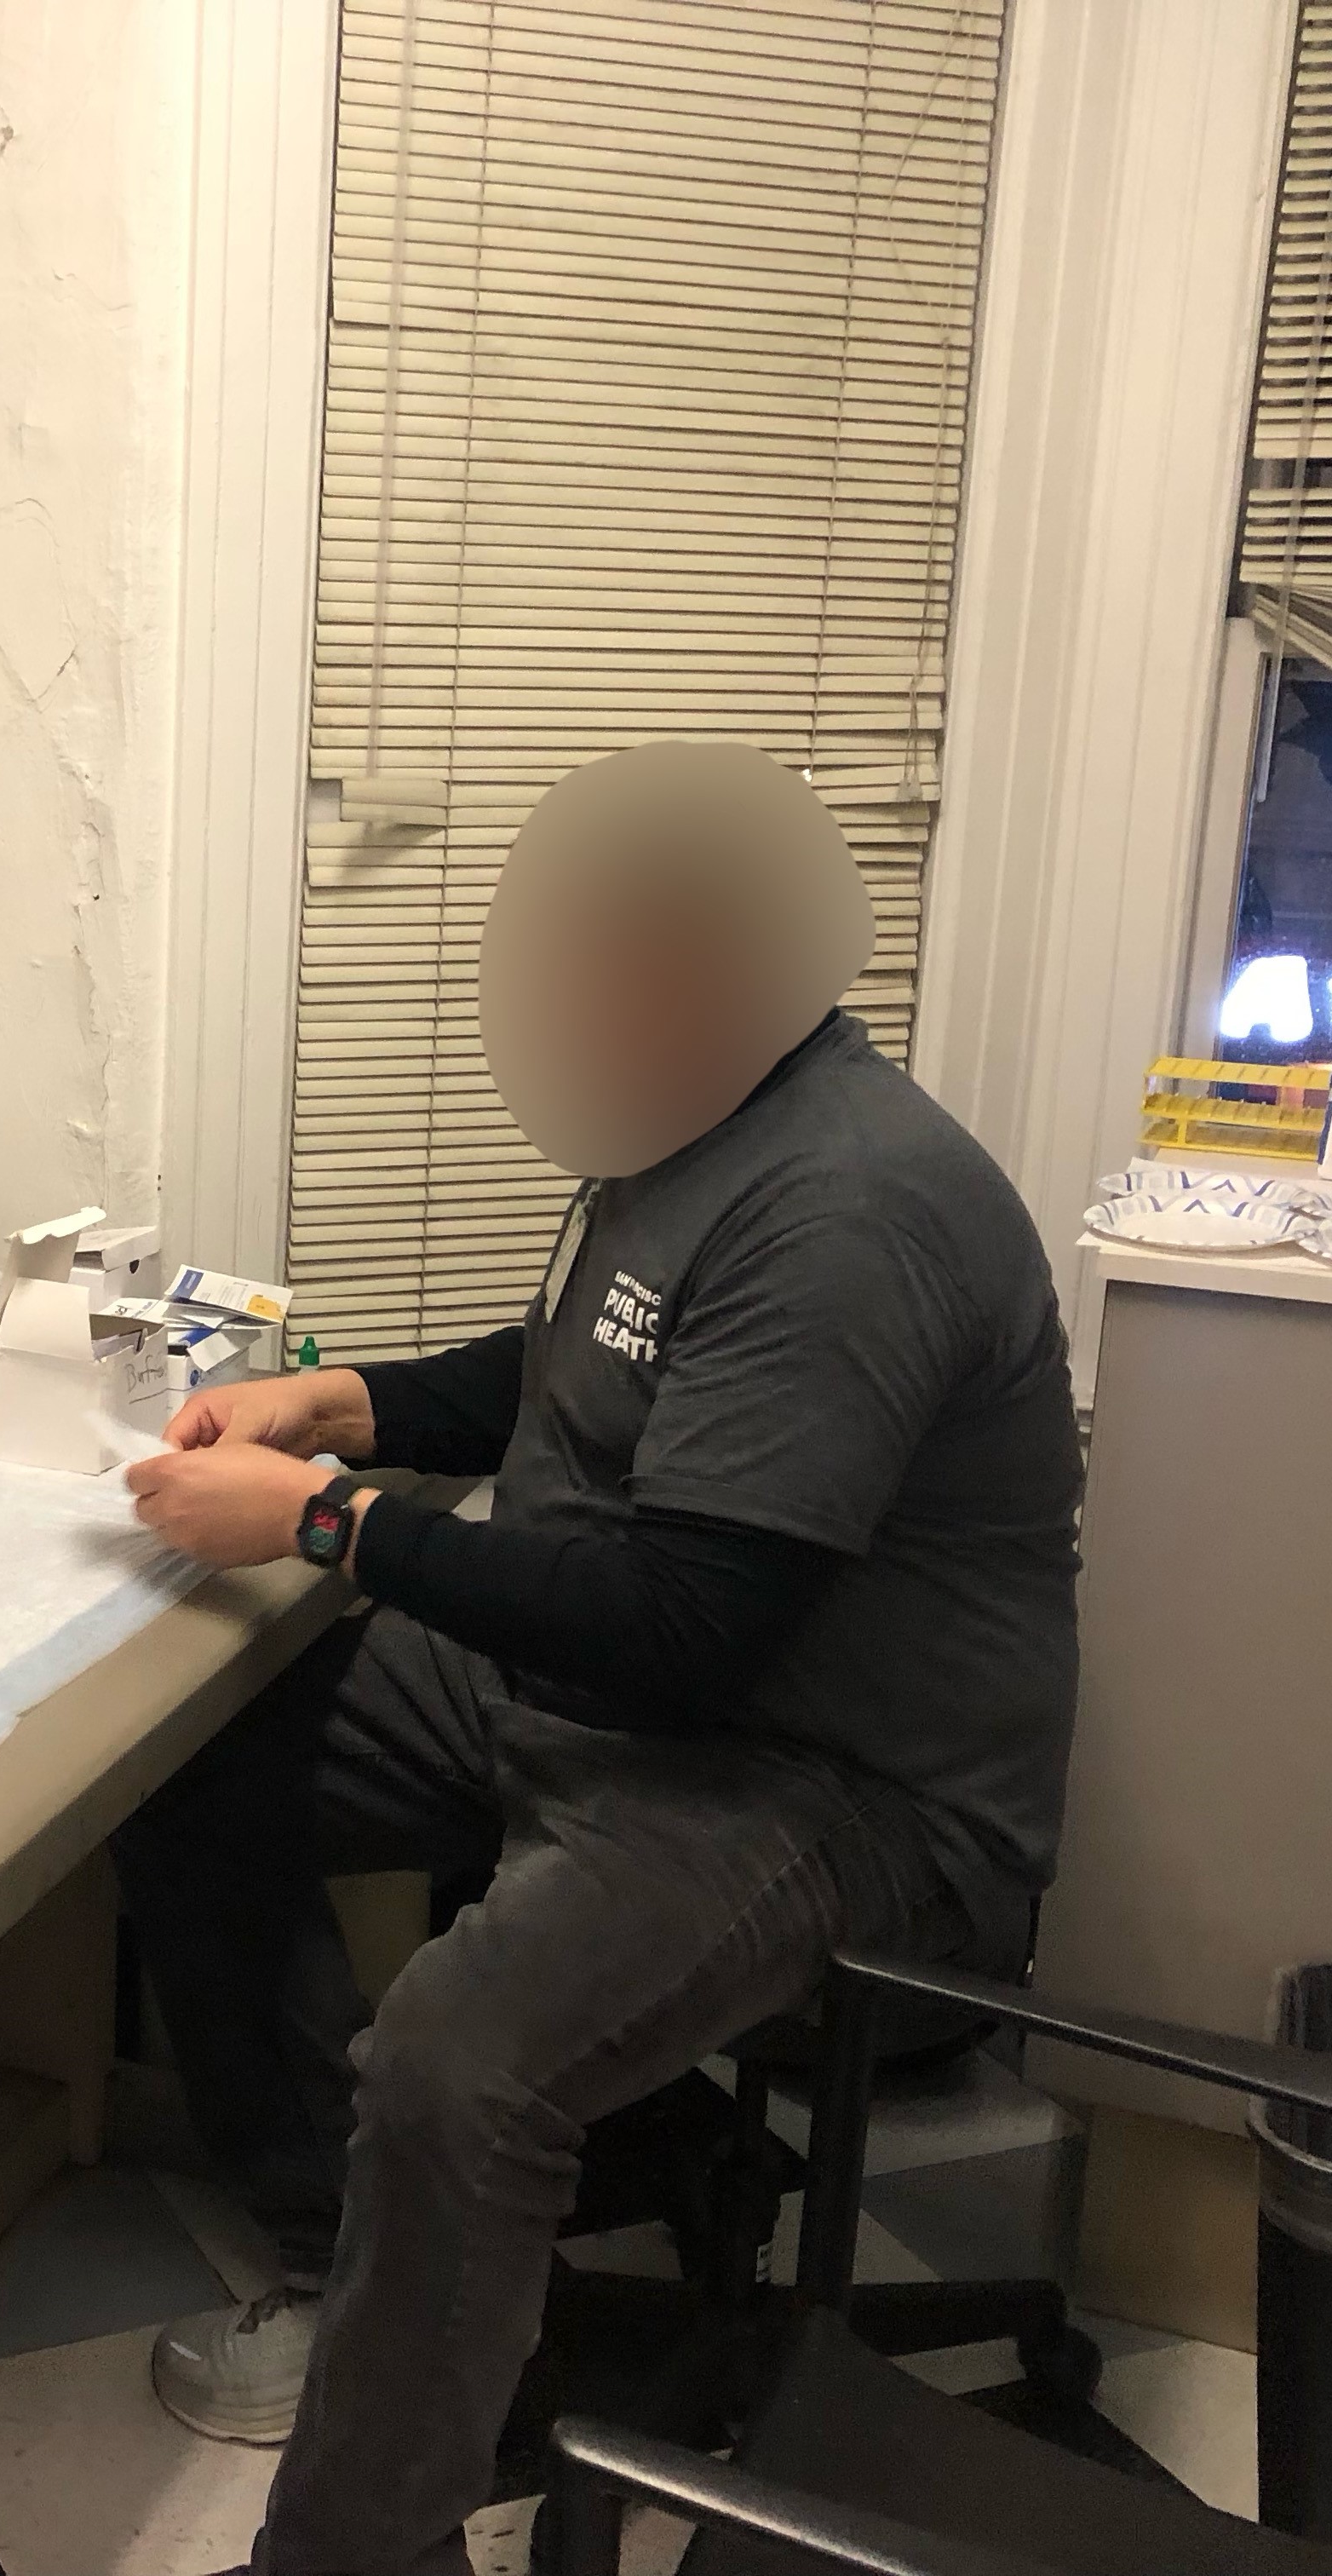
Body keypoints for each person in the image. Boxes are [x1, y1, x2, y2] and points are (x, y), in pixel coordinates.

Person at [114, 740, 1084, 2576]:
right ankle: (367, 2261)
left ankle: (354, 2542)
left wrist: (331, 1528)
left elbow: (686, 1626)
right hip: (623, 1693)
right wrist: (351, 1402)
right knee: (195, 1767)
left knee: (457, 2063)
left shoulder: (854, 1206)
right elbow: (578, 1372)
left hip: (817, 1775)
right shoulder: (690, 1131)